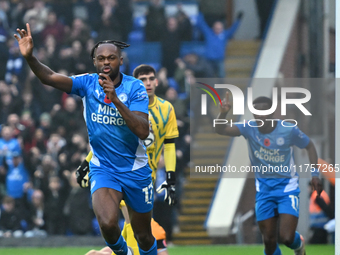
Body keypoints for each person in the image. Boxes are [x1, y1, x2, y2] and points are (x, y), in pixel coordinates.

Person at [14, 24, 156, 255]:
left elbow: (142, 130)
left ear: (121, 60)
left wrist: (116, 100)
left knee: (144, 236)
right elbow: (49, 77)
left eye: (111, 57)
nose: (106, 62)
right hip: (103, 167)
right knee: (108, 226)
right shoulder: (87, 83)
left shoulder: (135, 87)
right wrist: (31, 58)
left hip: (135, 169)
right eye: (101, 58)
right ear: (94, 62)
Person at [80, 64, 179, 255]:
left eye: (151, 79)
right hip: (118, 173)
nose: (147, 83)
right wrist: (87, 161)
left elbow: (170, 145)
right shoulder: (123, 106)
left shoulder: (167, 110)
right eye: (143, 80)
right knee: (135, 228)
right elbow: (109, 141)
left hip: (144, 179)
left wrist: (170, 177)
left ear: (157, 81)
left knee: (138, 233)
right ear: (135, 84)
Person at [215, 94, 322, 255]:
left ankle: (298, 244)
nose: (260, 115)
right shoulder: (248, 128)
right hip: (264, 191)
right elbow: (220, 129)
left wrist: (315, 174)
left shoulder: (288, 129)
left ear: (272, 113)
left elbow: (309, 146)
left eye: (264, 111)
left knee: (286, 237)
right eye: (257, 111)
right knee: (269, 242)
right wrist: (223, 113)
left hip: (287, 189)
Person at [196, 11, 243, 78]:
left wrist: (238, 20)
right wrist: (200, 13)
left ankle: (221, 88)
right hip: (209, 60)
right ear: (213, 28)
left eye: (220, 28)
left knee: (221, 76)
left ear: (222, 28)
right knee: (209, 76)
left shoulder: (224, 34)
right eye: (217, 28)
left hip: (219, 60)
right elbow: (202, 24)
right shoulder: (208, 33)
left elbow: (233, 30)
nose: (218, 30)